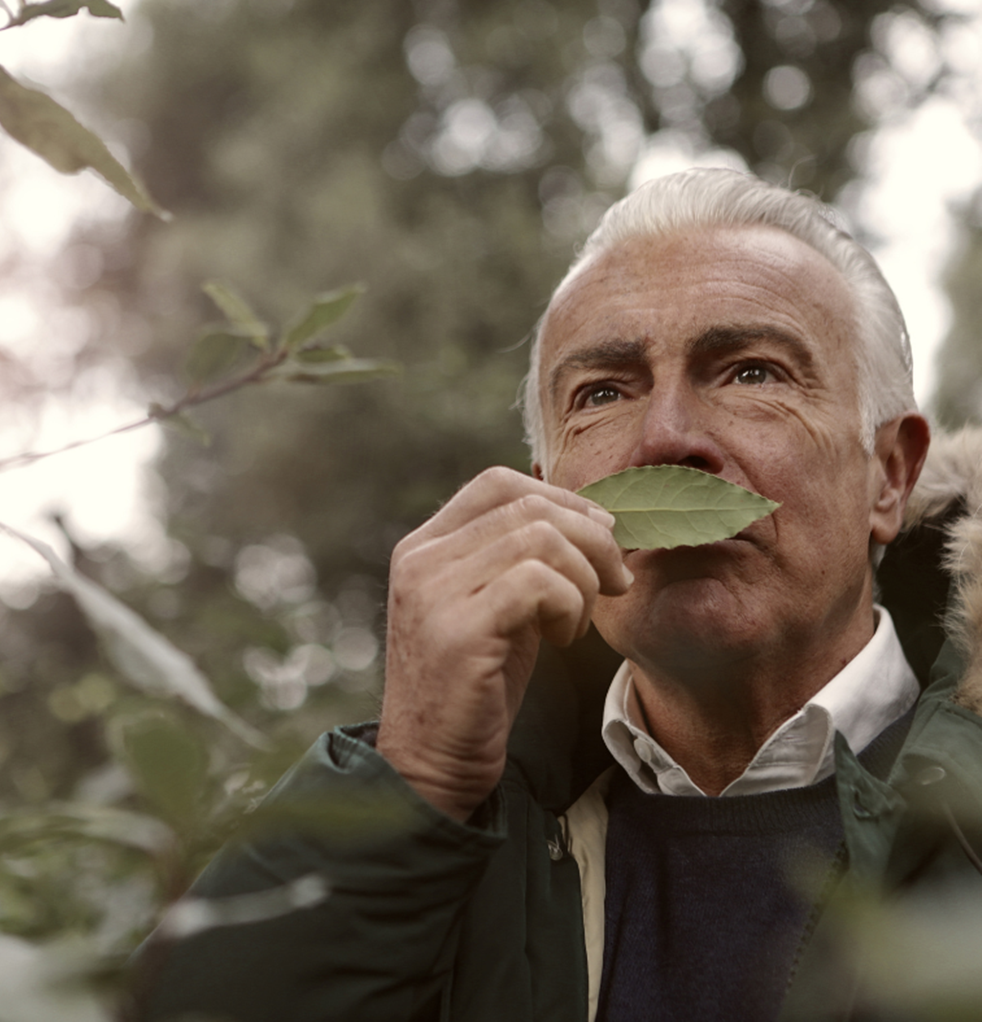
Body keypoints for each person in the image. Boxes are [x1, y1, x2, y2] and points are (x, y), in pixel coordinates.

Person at [134, 168, 982, 1022]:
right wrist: (413, 781)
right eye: (603, 394)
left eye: (751, 373)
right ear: (544, 492)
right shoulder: (464, 830)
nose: (665, 441)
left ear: (890, 476)